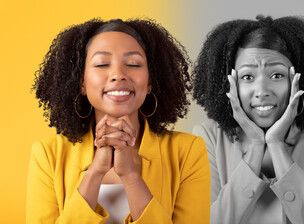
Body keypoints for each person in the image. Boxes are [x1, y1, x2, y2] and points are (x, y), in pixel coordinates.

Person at [27, 18, 210, 224]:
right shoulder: (47, 155)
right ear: (82, 83)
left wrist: (131, 176)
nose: (118, 75)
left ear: (150, 82)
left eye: (133, 64)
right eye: (102, 64)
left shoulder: (187, 152)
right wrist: (95, 172)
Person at [192, 15, 304, 224]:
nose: (262, 91)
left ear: (298, 80)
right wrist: (256, 148)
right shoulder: (207, 136)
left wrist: (276, 146)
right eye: (248, 77)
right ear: (230, 84)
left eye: (276, 75)